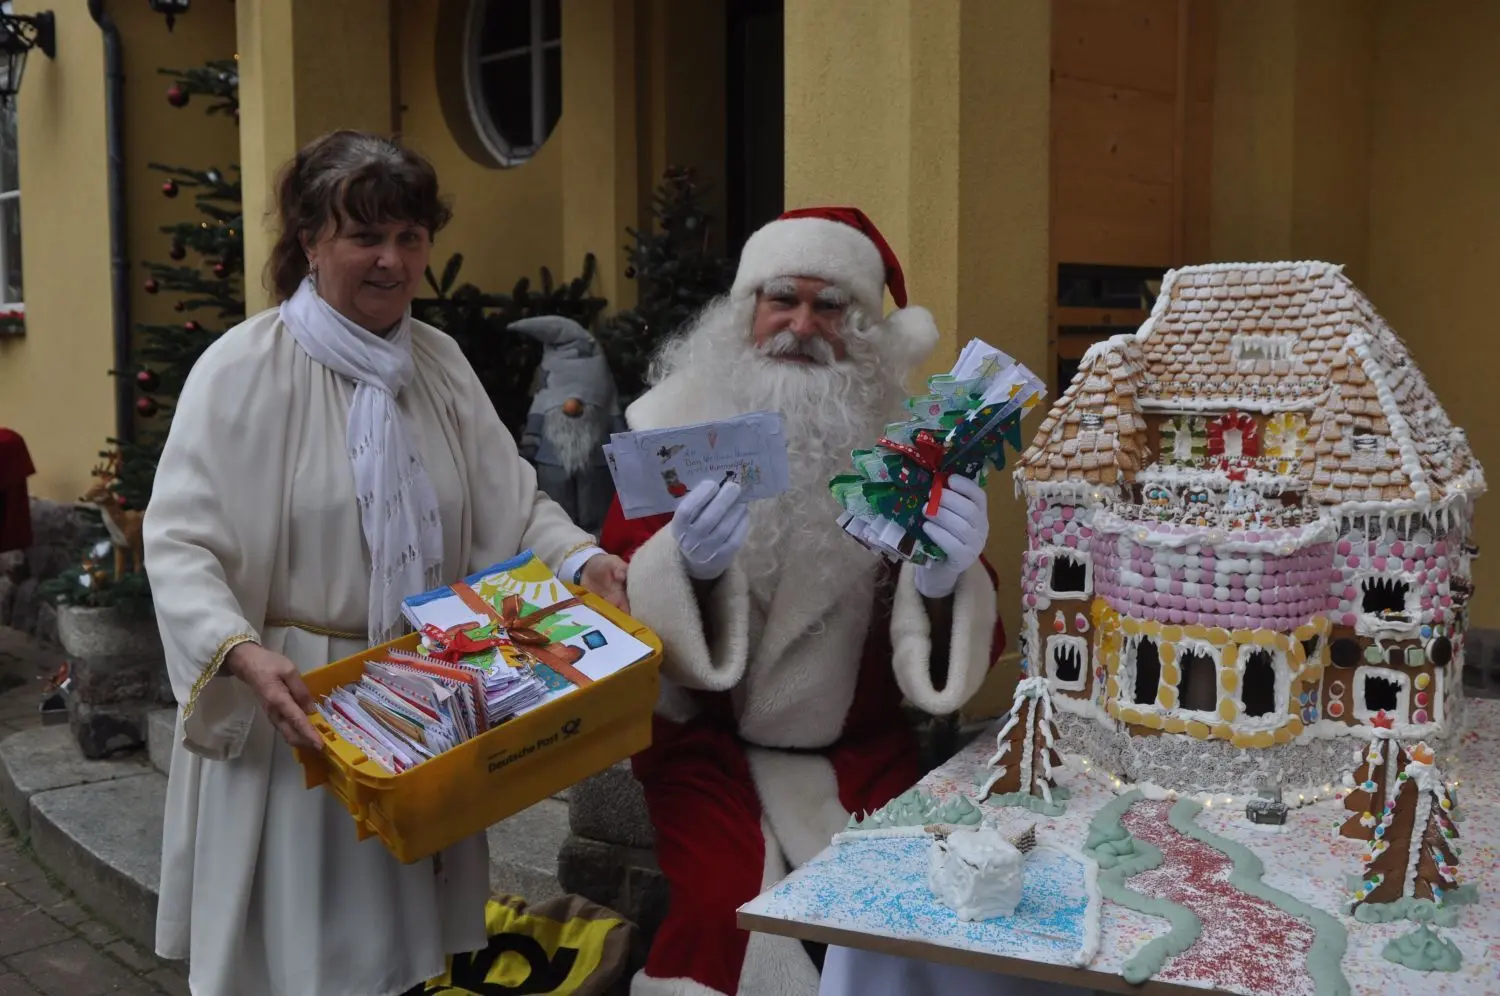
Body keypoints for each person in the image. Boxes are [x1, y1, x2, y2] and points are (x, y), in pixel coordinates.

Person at [144, 130, 629, 996]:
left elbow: (509, 501)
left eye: (409, 237)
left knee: (401, 958)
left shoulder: (437, 364)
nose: (391, 260)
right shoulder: (242, 370)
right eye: (365, 237)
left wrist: (584, 562)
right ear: (310, 243)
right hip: (298, 705)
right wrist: (239, 651)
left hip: (418, 698)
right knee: (297, 955)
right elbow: (179, 540)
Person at [600, 206, 1006, 996]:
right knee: (729, 912)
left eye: (832, 307)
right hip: (702, 746)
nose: (802, 324)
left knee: (896, 910)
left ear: (864, 332)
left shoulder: (908, 448)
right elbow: (612, 592)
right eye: (782, 298)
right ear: (746, 310)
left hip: (859, 753)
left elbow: (967, 643)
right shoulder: (670, 430)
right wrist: (682, 571)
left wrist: (942, 579)